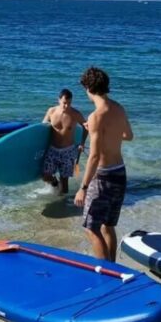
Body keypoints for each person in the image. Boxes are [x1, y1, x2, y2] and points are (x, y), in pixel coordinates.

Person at [73, 67, 133, 262]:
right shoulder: (118, 108)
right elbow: (128, 136)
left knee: (91, 227)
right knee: (108, 225)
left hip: (103, 177)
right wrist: (100, 131)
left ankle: (105, 272)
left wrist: (82, 187)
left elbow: (95, 156)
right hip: (120, 173)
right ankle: (113, 268)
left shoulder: (96, 116)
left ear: (89, 88)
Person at [41, 88, 88, 195]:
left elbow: (86, 127)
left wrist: (82, 143)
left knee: (65, 188)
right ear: (59, 100)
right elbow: (42, 127)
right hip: (52, 150)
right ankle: (54, 182)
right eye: (64, 103)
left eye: (69, 103)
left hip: (68, 151)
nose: (67, 106)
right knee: (45, 176)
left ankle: (62, 207)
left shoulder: (75, 114)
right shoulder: (51, 111)